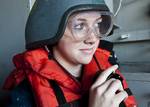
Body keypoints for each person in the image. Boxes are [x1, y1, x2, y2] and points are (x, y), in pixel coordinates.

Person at [2, 0, 137, 107]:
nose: (92, 39)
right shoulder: (25, 95)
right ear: (49, 31)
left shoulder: (108, 71)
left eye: (98, 24)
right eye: (79, 26)